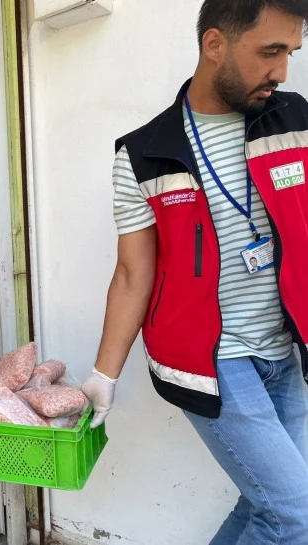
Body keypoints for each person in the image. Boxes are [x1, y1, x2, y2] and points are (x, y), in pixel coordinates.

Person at [81, 1, 308, 543]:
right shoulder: (144, 155)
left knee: (268, 504)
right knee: (295, 515)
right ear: (214, 45)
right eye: (270, 52)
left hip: (283, 351)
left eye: (290, 53)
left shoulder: (296, 120)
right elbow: (133, 274)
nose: (281, 71)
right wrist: (104, 375)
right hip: (212, 362)